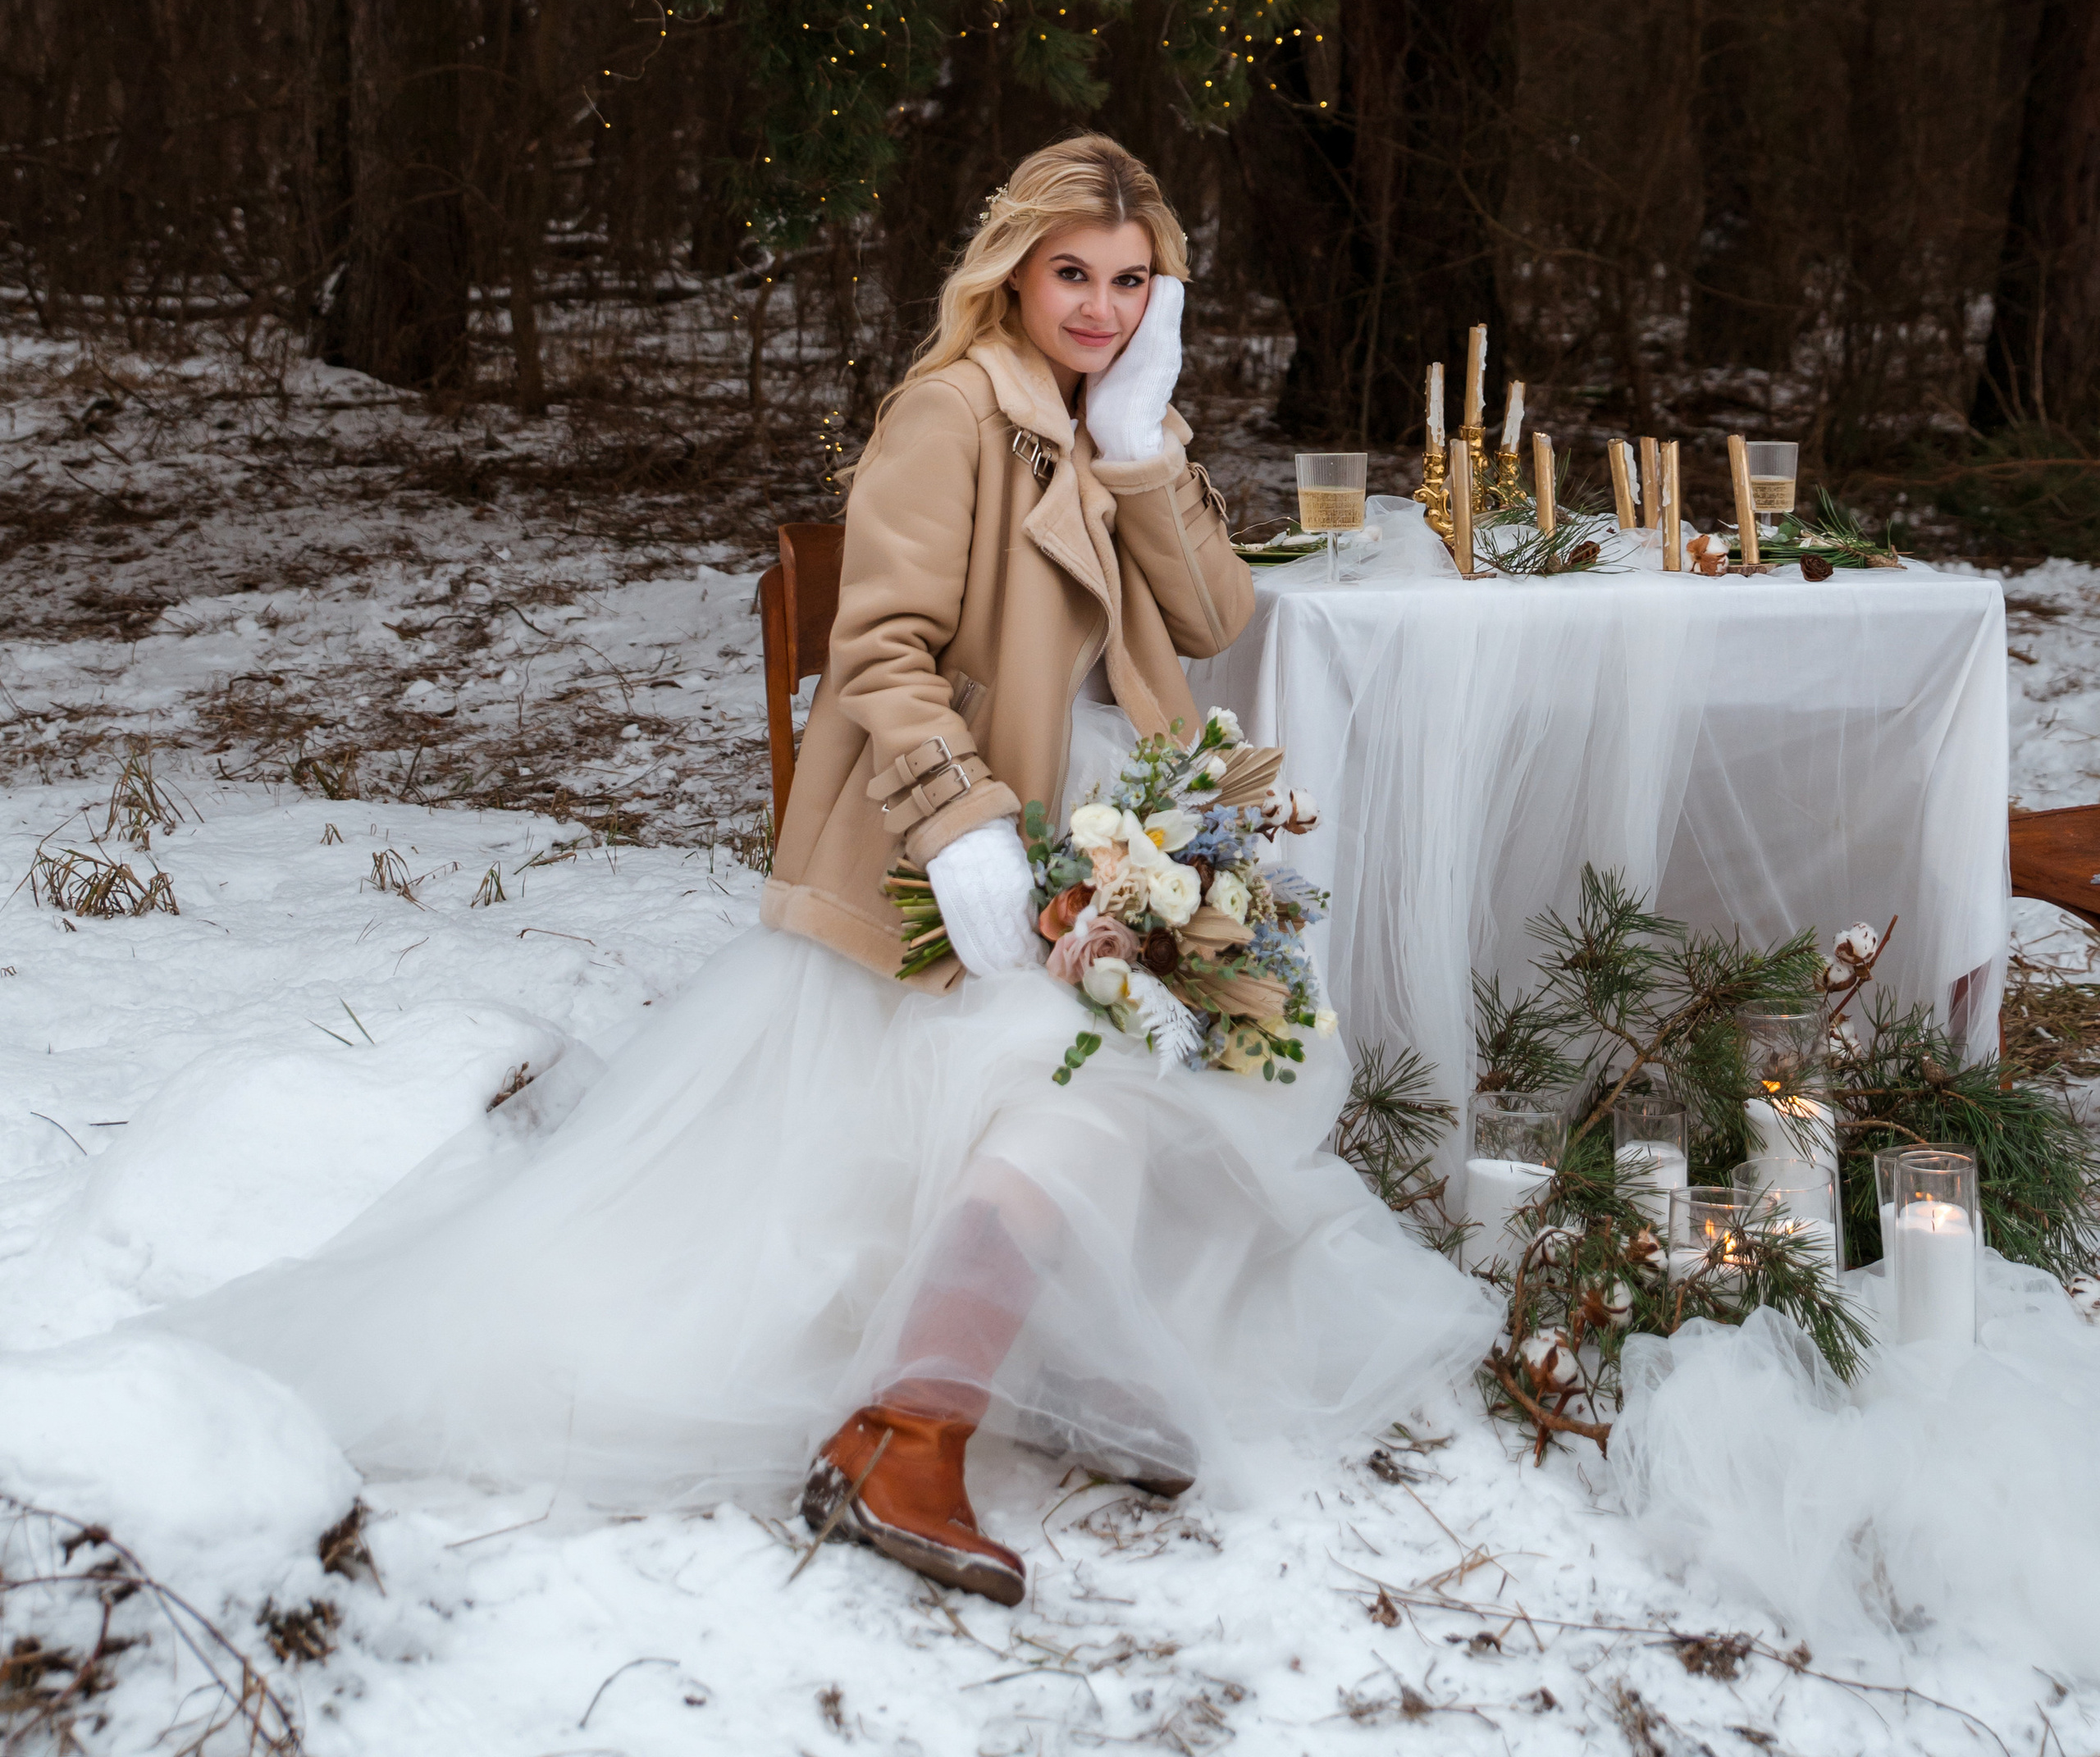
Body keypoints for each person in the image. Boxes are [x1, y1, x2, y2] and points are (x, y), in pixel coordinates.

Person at [158, 135, 1492, 1600]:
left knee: (1206, 1064)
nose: (1102, 306)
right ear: (1015, 273)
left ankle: (1075, 1372)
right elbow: (878, 651)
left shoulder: (1104, 412)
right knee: (1079, 1080)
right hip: (977, 834)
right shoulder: (951, 411)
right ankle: (905, 1435)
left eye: (1131, 282)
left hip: (1124, 827)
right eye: (1074, 276)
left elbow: (1213, 607)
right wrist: (964, 826)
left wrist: (1141, 438)